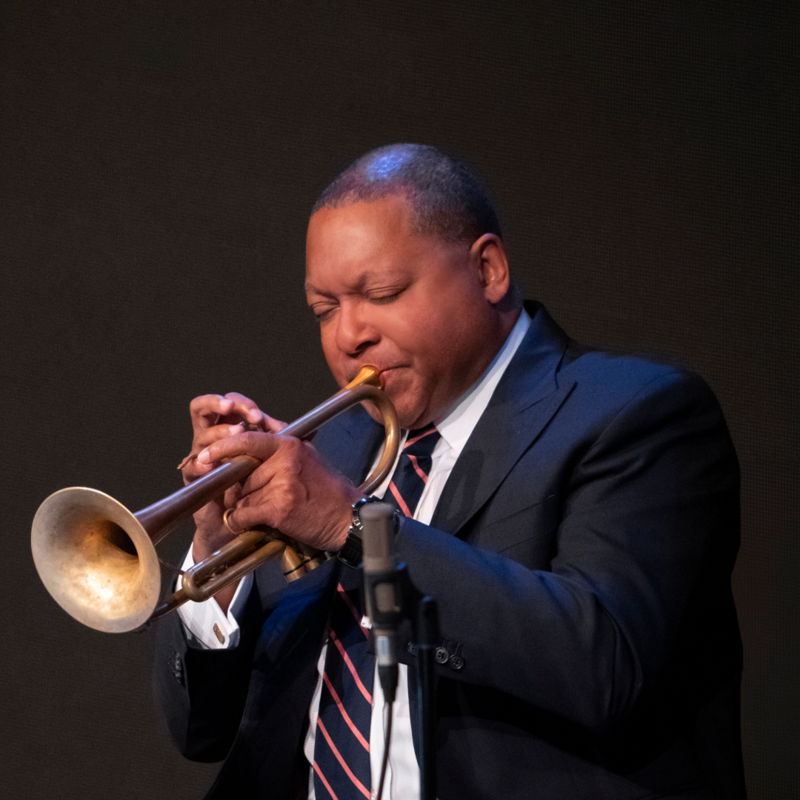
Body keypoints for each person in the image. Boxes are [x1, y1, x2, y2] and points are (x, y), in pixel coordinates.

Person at [154, 143, 745, 799]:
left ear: (487, 270)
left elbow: (603, 665)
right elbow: (202, 731)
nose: (348, 336)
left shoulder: (637, 415)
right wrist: (216, 550)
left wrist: (349, 524)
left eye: (382, 293)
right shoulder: (340, 449)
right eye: (324, 309)